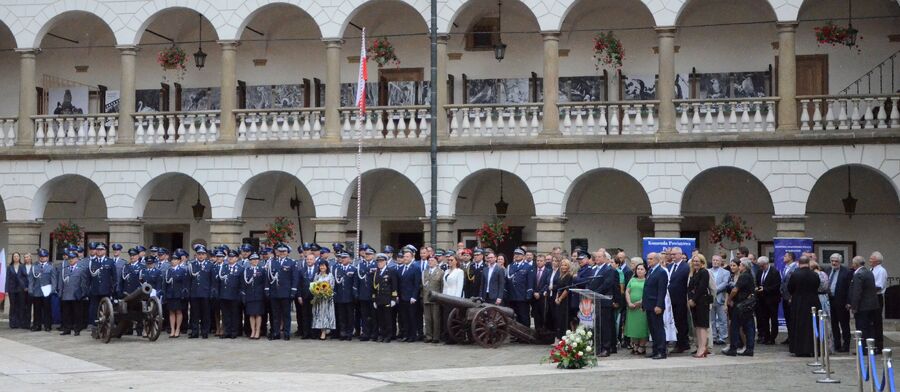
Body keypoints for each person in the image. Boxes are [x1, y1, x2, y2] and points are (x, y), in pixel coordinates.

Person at [787, 256, 821, 357]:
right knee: (813, 325)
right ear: (809, 262)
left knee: (799, 325)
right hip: (813, 302)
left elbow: (790, 288)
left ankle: (799, 349)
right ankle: (813, 348)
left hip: (799, 302)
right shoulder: (814, 274)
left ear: (798, 263)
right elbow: (817, 286)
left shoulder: (795, 274)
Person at [724, 259, 756, 356]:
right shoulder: (750, 275)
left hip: (741, 304)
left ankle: (733, 348)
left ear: (744, 266)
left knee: (735, 326)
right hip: (747, 304)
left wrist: (729, 300)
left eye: (740, 264)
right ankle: (749, 348)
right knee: (748, 326)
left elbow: (735, 290)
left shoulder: (744, 276)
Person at [266, 244, 298, 341]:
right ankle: (276, 333)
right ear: (277, 252)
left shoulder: (291, 263)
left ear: (287, 253)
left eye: (284, 251)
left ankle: (287, 333)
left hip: (286, 292)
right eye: (280, 251)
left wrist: (293, 290)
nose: (282, 253)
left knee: (286, 314)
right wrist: (267, 289)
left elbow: (294, 278)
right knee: (275, 314)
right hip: (274, 292)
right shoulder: (272, 262)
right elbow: (267, 277)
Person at [848, 256, 879, 345]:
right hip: (871, 305)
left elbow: (857, 292)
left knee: (861, 328)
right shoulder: (869, 272)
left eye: (853, 263)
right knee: (870, 328)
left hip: (862, 306)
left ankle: (863, 349)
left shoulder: (858, 274)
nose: (852, 265)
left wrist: (854, 306)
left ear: (856, 264)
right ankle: (870, 346)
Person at [57, 250, 89, 336]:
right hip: (66, 295)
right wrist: (60, 293)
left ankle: (77, 329)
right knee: (66, 313)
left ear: (77, 259)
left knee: (77, 314)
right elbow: (60, 283)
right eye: (69, 258)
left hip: (76, 295)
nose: (71, 260)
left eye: (73, 258)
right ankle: (67, 329)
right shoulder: (64, 270)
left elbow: (84, 283)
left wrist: (83, 293)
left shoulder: (81, 269)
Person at [643, 252, 669, 360]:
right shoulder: (650, 271)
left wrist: (659, 305)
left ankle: (661, 351)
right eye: (648, 258)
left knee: (658, 328)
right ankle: (655, 350)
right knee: (652, 329)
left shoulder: (661, 272)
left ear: (657, 260)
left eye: (651, 259)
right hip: (649, 305)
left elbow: (661, 291)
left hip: (656, 305)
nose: (649, 260)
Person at [666, 247, 690, 354]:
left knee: (681, 322)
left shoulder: (686, 267)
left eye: (675, 254)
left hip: (680, 298)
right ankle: (677, 342)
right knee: (673, 321)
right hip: (669, 299)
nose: (673, 256)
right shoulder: (669, 266)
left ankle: (683, 344)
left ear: (680, 254)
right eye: (671, 254)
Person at [687, 254, 711, 358]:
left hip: (701, 302)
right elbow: (690, 287)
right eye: (694, 261)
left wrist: (694, 299)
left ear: (702, 262)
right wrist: (689, 299)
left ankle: (703, 348)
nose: (695, 263)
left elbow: (702, 288)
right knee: (697, 325)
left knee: (702, 325)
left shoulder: (704, 272)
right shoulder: (694, 273)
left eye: (698, 261)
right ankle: (700, 346)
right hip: (693, 302)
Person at [827, 254, 852, 352]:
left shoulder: (846, 272)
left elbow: (850, 289)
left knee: (844, 324)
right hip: (830, 301)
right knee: (833, 324)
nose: (834, 263)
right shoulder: (828, 270)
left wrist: (848, 302)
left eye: (836, 261)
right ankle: (837, 344)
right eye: (832, 261)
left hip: (842, 302)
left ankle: (846, 345)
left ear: (840, 262)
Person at [755, 256, 781, 345]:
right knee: (764, 319)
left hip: (772, 300)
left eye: (762, 266)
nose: (761, 268)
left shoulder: (774, 272)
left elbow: (776, 286)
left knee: (773, 319)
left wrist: (765, 289)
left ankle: (772, 337)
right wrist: (758, 288)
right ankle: (766, 336)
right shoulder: (759, 271)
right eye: (760, 266)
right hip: (762, 300)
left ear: (766, 264)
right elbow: (757, 282)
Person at [506, 248, 535, 328]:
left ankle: (526, 336)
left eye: (519, 254)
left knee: (524, 317)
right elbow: (507, 282)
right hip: (512, 296)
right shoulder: (510, 266)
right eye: (515, 254)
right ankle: (517, 336)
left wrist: (528, 295)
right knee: (514, 317)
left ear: (523, 256)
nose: (517, 256)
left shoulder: (528, 267)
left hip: (522, 297)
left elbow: (530, 282)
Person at [189, 246, 213, 339]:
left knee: (205, 314)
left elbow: (212, 280)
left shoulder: (210, 265)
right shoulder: (192, 264)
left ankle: (205, 332)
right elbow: (189, 280)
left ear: (206, 255)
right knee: (194, 313)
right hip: (194, 293)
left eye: (203, 254)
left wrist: (211, 292)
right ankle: (195, 332)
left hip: (205, 293)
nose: (201, 256)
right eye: (199, 254)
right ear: (196, 255)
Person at [164, 250, 190, 338]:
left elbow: (185, 284)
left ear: (179, 261)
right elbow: (166, 284)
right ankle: (172, 329)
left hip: (179, 294)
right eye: (172, 259)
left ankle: (178, 328)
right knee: (171, 312)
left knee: (178, 311)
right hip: (170, 294)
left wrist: (184, 294)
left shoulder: (183, 271)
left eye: (175, 260)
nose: (173, 261)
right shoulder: (168, 271)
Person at [373, 254, 398, 343]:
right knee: (380, 319)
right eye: (378, 262)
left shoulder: (390, 271)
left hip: (387, 298)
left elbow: (394, 286)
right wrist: (374, 300)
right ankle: (382, 334)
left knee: (388, 319)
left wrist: (393, 298)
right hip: (379, 299)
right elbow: (374, 288)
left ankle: (388, 335)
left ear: (385, 262)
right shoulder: (376, 272)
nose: (379, 263)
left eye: (381, 261)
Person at [625, 263, 649, 355]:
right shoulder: (632, 280)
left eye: (641, 269)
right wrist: (629, 303)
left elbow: (648, 294)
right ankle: (635, 344)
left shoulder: (647, 280)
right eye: (638, 269)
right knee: (633, 327)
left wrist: (640, 302)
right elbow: (627, 291)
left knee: (642, 327)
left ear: (645, 271)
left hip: (641, 308)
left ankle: (642, 346)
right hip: (631, 308)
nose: (639, 270)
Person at [333, 252, 357, 341]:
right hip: (340, 296)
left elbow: (355, 284)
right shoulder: (337, 269)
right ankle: (342, 332)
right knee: (341, 316)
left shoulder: (353, 269)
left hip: (349, 297)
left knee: (350, 316)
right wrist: (335, 294)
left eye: (344, 258)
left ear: (349, 259)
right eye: (341, 258)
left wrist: (354, 295)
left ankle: (349, 332)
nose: (342, 259)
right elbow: (335, 283)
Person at [422, 256, 444, 343]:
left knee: (436, 318)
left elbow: (442, 287)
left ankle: (436, 337)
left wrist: (441, 298)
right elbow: (422, 286)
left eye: (432, 260)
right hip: (426, 298)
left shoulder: (441, 272)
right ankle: (428, 336)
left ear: (436, 262)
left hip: (436, 299)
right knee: (427, 318)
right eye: (429, 260)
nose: (430, 262)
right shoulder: (425, 272)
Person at [709, 254, 730, 345]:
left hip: (720, 298)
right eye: (714, 260)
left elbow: (725, 283)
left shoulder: (726, 272)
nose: (715, 262)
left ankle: (722, 337)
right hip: (710, 299)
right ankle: (713, 336)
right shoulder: (707, 271)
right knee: (711, 319)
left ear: (721, 262)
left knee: (722, 319)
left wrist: (714, 290)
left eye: (717, 260)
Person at [869, 251, 887, 351]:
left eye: (871, 258)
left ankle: (878, 346)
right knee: (871, 321)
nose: (869, 260)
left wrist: (866, 288)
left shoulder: (881, 270)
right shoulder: (871, 269)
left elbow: (879, 286)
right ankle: (873, 343)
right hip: (870, 297)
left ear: (877, 260)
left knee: (877, 321)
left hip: (877, 297)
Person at [551, 258, 573, 339]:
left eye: (565, 265)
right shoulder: (560, 276)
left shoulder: (569, 276)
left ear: (568, 267)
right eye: (562, 265)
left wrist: (560, 299)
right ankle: (559, 337)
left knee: (564, 319)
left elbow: (566, 290)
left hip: (565, 301)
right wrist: (557, 298)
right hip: (559, 300)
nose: (563, 267)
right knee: (559, 319)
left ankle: (564, 338)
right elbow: (558, 289)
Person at [780, 251, 798, 345]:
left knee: (792, 318)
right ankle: (790, 336)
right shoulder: (786, 267)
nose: (783, 257)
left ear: (790, 257)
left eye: (785, 256)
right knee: (787, 318)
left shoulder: (795, 267)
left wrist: (792, 296)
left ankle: (794, 338)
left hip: (791, 297)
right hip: (785, 297)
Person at [6, 252, 28, 329]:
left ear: (19, 257)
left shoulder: (22, 266)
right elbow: (7, 279)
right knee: (13, 306)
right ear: (12, 258)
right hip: (11, 289)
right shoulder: (9, 267)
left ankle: (20, 322)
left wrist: (25, 286)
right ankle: (13, 323)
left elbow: (25, 277)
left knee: (21, 306)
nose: (15, 257)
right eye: (14, 256)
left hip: (21, 289)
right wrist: (6, 290)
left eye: (17, 256)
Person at [532, 254, 552, 332]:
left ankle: (543, 330)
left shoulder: (548, 271)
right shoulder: (532, 270)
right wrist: (534, 292)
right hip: (534, 297)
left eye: (541, 261)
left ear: (544, 262)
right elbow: (530, 283)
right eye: (537, 261)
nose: (539, 262)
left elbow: (547, 284)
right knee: (535, 315)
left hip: (543, 297)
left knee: (543, 314)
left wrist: (539, 293)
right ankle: (537, 331)